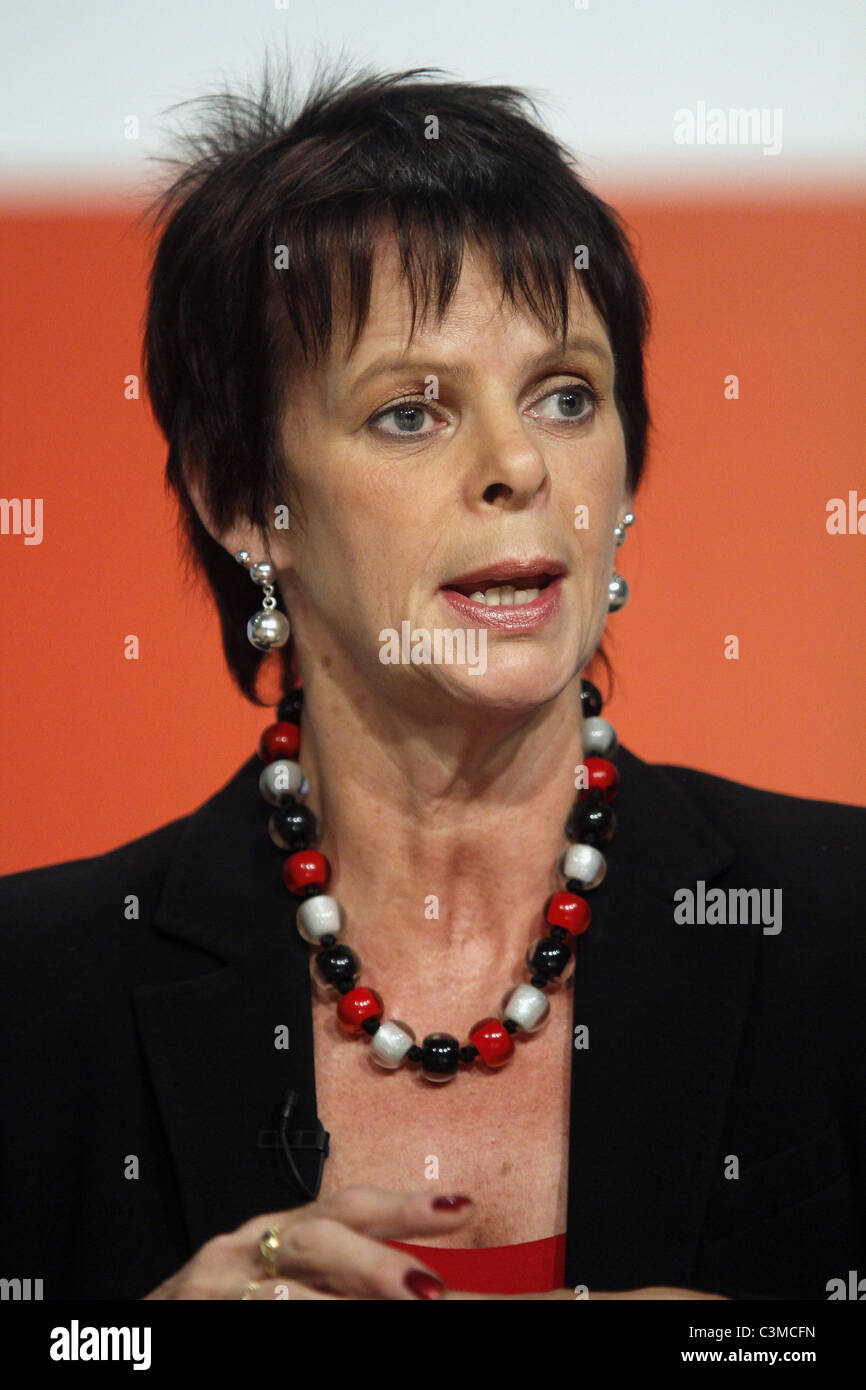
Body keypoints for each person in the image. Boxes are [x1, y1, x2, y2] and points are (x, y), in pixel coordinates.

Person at [1, 61, 863, 1303]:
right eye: (411, 412)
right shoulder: (33, 1001)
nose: (517, 462)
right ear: (242, 497)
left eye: (565, 395)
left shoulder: (837, 931)